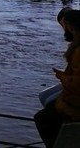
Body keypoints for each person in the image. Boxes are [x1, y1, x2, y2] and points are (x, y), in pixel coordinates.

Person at [36, 8, 80, 148]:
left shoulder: (78, 51)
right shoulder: (76, 46)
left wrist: (62, 76)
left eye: (64, 26)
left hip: (76, 101)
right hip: (73, 94)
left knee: (42, 117)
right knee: (46, 101)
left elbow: (76, 85)